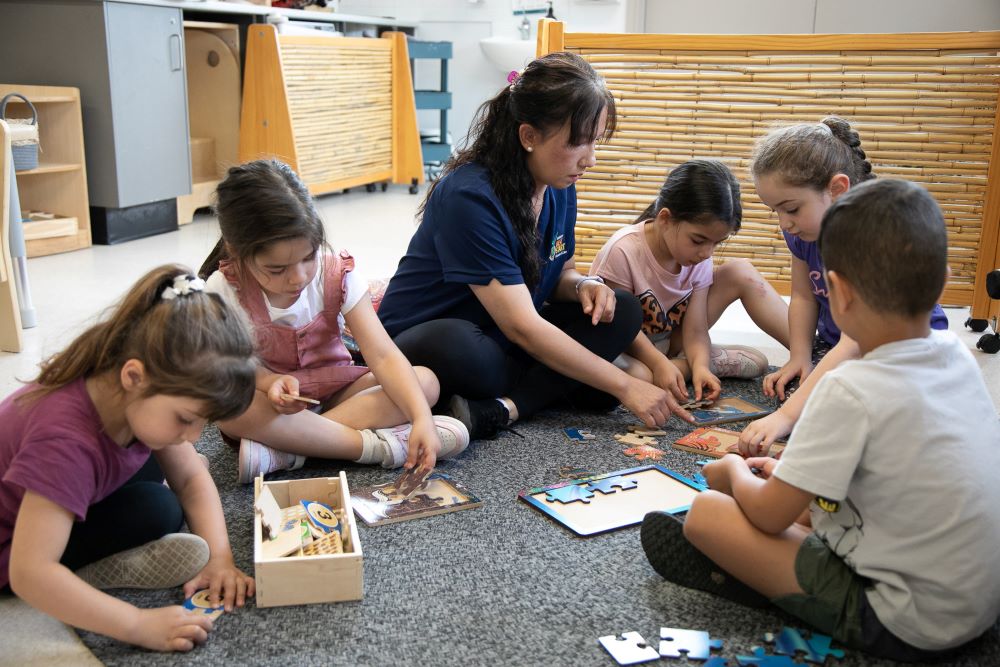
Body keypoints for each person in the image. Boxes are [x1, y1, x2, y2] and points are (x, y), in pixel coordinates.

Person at [640, 179, 1000, 661]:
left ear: (836, 293)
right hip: (979, 602)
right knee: (796, 494)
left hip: (908, 623)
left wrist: (730, 474)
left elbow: (770, 515)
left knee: (708, 512)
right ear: (942, 281)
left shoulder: (847, 388)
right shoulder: (956, 356)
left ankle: (766, 586)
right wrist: (788, 480)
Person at [377, 52, 689, 440]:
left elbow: (561, 272)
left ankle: (503, 408)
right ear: (528, 137)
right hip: (435, 335)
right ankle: (546, 388)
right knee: (472, 354)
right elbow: (522, 327)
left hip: (504, 334)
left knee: (620, 310)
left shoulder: (559, 184)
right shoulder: (469, 197)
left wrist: (583, 286)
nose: (589, 159)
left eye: (594, 143)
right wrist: (625, 385)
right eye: (578, 143)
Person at [1, 265, 258, 652]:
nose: (193, 437)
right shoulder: (65, 442)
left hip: (53, 491)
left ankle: (82, 561)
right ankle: (84, 574)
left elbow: (190, 477)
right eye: (187, 420)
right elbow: (29, 572)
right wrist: (137, 624)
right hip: (10, 549)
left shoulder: (128, 389)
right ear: (134, 377)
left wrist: (219, 557)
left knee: (167, 467)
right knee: (157, 507)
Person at [199, 160, 469, 483]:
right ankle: (369, 447)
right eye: (276, 269)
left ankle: (287, 450)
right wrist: (269, 382)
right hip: (273, 408)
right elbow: (231, 366)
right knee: (228, 405)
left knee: (425, 383)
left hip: (337, 393)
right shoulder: (224, 288)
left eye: (308, 256)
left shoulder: (335, 273)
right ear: (237, 251)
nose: (297, 277)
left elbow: (382, 355)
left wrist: (422, 417)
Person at [738, 117, 949, 453]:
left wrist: (785, 418)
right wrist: (799, 356)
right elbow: (803, 297)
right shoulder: (802, 235)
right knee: (800, 387)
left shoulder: (870, 239)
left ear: (837, 189)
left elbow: (856, 341)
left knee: (843, 415)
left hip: (901, 348)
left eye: (790, 208)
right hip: (840, 341)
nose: (784, 223)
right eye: (775, 211)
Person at [589, 160, 789, 405]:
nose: (707, 253)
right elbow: (619, 326)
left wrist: (702, 367)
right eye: (698, 240)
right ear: (665, 219)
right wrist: (658, 363)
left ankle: (688, 366)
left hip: (669, 343)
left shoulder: (699, 257)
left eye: (716, 243)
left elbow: (695, 329)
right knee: (640, 376)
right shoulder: (623, 250)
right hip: (626, 345)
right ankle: (677, 368)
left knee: (759, 362)